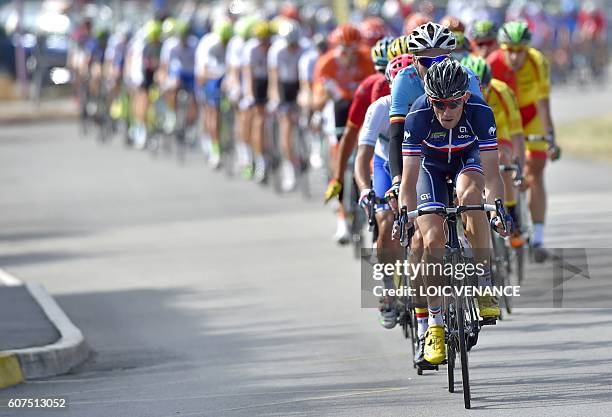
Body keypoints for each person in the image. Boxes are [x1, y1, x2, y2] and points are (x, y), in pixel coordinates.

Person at [398, 58, 509, 365]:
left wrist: (497, 209)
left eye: (453, 105)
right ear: (430, 100)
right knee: (432, 240)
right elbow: (408, 180)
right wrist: (405, 216)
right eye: (439, 104)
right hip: (429, 168)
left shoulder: (480, 112)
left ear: (464, 98)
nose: (446, 112)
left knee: (473, 197)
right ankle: (434, 326)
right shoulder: (418, 115)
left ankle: (483, 284)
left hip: (466, 161)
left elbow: (493, 174)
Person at [487, 21, 560, 260]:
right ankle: (510, 211)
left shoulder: (537, 61)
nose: (515, 55)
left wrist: (550, 137)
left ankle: (537, 238)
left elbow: (543, 104)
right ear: (501, 47)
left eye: (520, 50)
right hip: (507, 120)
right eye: (510, 49)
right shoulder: (491, 64)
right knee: (506, 163)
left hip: (530, 116)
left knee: (535, 171)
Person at [353, 54, 413, 329]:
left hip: (416, 162)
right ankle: (388, 290)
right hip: (385, 166)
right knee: (385, 223)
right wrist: (365, 189)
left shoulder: (426, 103)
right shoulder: (380, 107)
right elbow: (362, 152)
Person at [312, 23, 375, 243]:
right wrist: (330, 94)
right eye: (343, 50)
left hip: (359, 109)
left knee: (366, 153)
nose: (348, 55)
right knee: (338, 158)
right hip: (336, 111)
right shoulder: (326, 63)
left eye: (352, 50)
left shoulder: (367, 59)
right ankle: (341, 219)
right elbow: (316, 100)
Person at [323, 36, 394, 207]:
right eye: (381, 70)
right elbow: (350, 133)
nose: (388, 78)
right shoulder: (369, 87)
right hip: (380, 147)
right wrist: (338, 178)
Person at [461, 55, 526, 240]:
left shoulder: (502, 91)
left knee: (501, 158)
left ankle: (511, 212)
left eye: (485, 87)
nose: (482, 92)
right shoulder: (462, 97)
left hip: (501, 134)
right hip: (473, 139)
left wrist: (518, 166)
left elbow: (517, 133)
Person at [268, 20, 305, 191]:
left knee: (304, 115)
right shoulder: (276, 50)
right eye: (290, 44)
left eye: (295, 44)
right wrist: (275, 99)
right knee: (285, 126)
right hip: (283, 85)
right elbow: (274, 79)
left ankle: (309, 147)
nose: (292, 47)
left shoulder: (305, 48)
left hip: (299, 83)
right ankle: (290, 166)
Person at [195, 19, 233, 168]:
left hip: (224, 76)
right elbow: (202, 73)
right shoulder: (208, 44)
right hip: (208, 77)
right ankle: (214, 149)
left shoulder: (231, 42)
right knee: (212, 112)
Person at [242, 21, 273, 182]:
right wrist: (249, 95)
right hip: (257, 82)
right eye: (261, 40)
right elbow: (248, 75)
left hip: (272, 81)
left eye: (267, 39)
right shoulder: (251, 49)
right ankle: (261, 160)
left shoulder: (274, 48)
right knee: (258, 118)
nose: (264, 43)